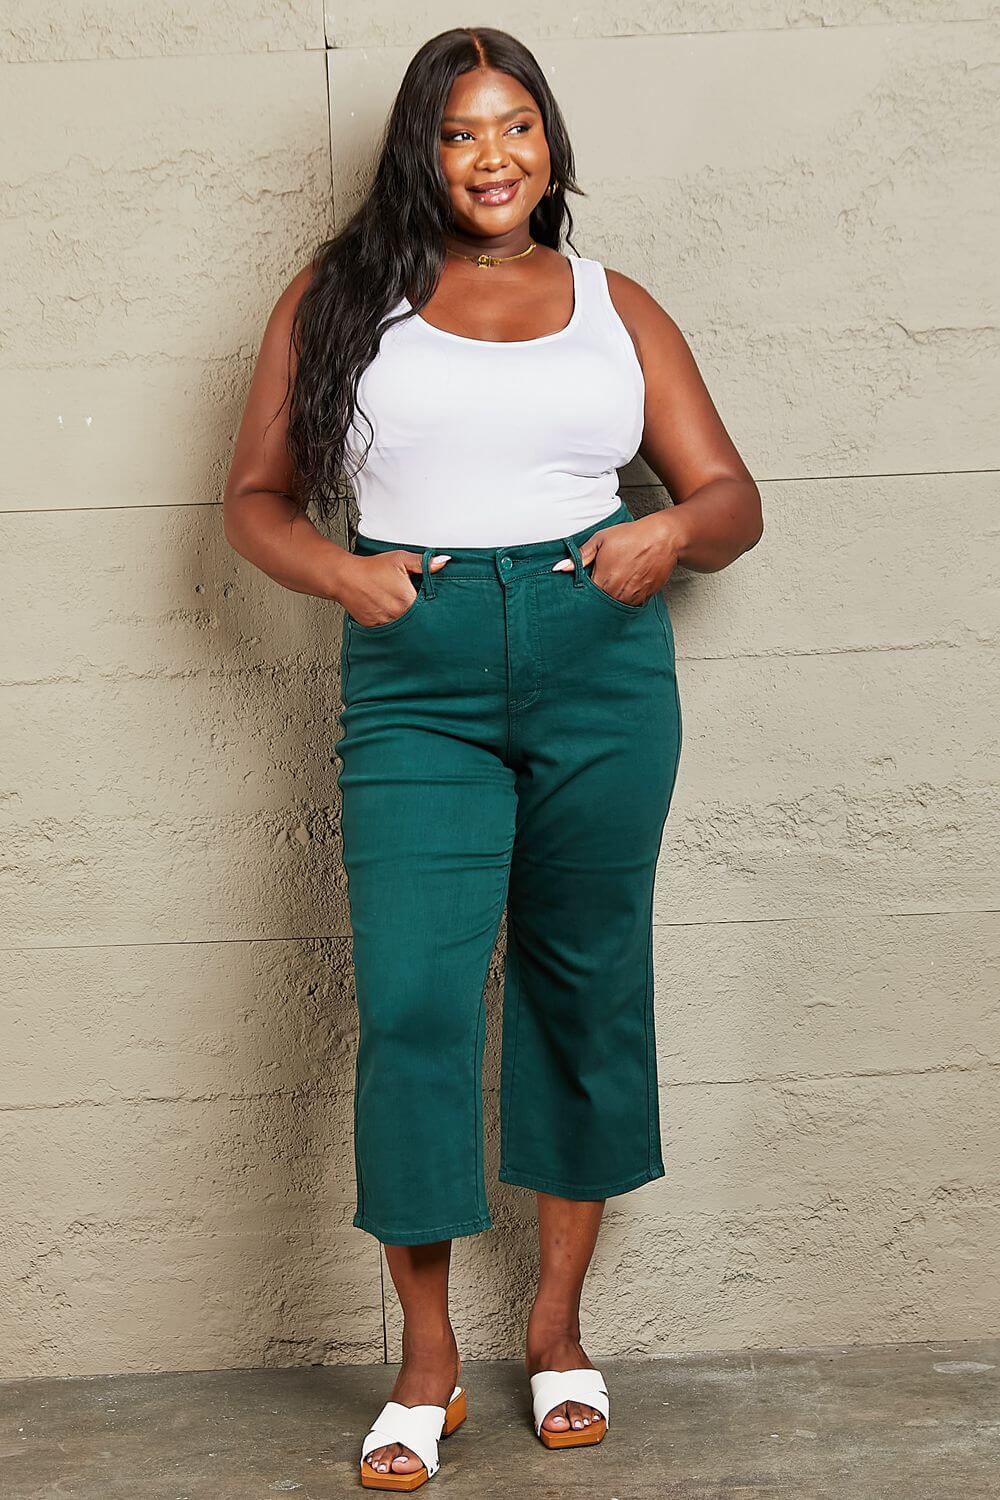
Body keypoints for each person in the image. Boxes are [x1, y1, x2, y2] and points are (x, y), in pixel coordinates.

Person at [223, 25, 762, 1492]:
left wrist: (667, 529)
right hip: (417, 675)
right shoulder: (339, 299)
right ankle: (426, 1358)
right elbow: (256, 501)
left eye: (516, 126)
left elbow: (730, 496)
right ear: (422, 149)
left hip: (600, 663)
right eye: (461, 132)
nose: (494, 157)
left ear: (550, 142)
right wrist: (344, 578)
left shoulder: (614, 302)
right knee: (409, 1006)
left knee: (584, 989)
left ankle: (558, 1331)